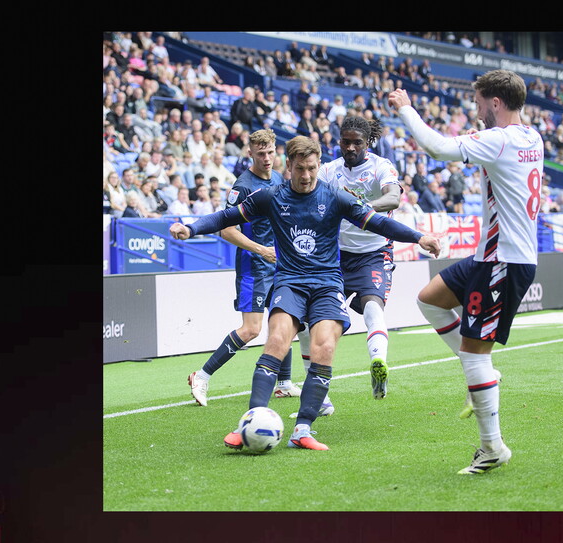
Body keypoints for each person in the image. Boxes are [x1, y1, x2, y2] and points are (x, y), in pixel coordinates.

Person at [170, 136, 441, 451]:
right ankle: (251, 420)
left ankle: (302, 430)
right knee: (276, 341)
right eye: (300, 169)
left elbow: (378, 223)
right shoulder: (271, 197)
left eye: (312, 168)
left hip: (327, 284)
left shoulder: (336, 197)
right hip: (290, 281)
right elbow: (225, 218)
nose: (307, 176)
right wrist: (190, 229)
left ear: (318, 166)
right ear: (289, 165)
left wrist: (419, 237)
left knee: (323, 348)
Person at [389, 69, 541, 475]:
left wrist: (405, 109)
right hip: (494, 255)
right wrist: (482, 134)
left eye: (478, 103)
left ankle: (492, 448)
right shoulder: (532, 136)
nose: (476, 110)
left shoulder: (499, 139)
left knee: (475, 355)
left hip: (503, 261)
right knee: (431, 301)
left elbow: (437, 148)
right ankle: (484, 373)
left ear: (495, 103)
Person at [182, 129, 302, 409]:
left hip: (278, 263)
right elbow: (226, 230)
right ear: (250, 153)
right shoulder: (243, 186)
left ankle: (283, 384)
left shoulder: (277, 179)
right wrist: (261, 250)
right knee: (251, 330)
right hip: (254, 265)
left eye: (271, 152)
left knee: (286, 320)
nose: (267, 158)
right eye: (261, 154)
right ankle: (201, 376)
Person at [316, 115, 401, 400]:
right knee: (317, 317)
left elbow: (393, 198)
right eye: (345, 142)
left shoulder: (381, 166)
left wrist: (360, 207)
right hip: (336, 254)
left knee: (373, 306)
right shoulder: (329, 170)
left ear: (368, 143)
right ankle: (319, 391)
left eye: (357, 143)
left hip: (374, 251)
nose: (350, 148)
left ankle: (378, 362)